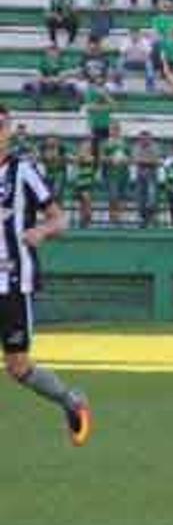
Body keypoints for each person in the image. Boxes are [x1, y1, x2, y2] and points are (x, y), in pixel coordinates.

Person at [0, 104, 93, 445]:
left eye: (1, 128)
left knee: (18, 367)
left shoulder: (23, 171)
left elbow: (60, 218)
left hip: (12, 282)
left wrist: (41, 232)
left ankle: (71, 402)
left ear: (9, 133)